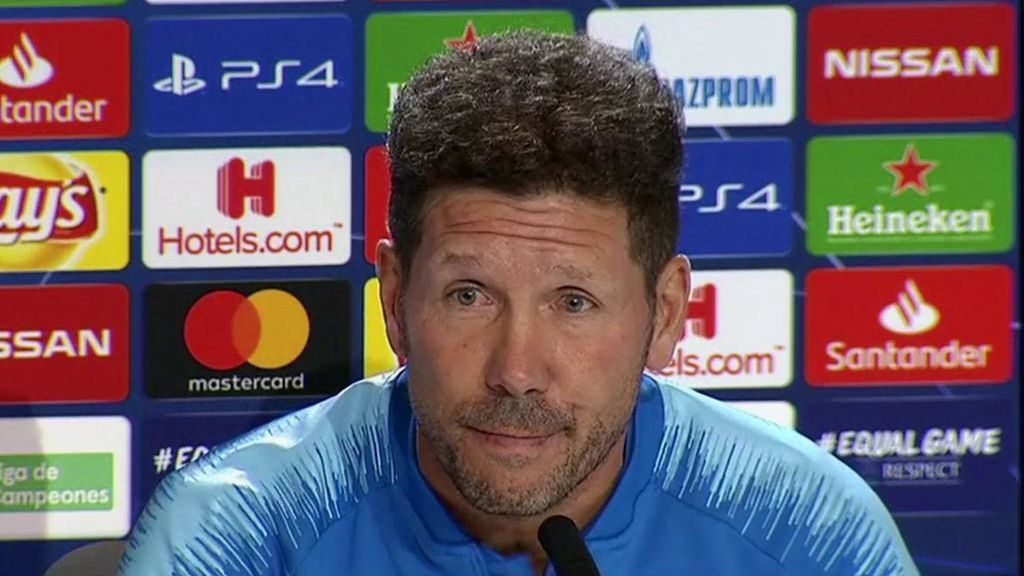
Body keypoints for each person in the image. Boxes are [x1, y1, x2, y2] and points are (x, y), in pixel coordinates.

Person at [119, 31, 919, 576]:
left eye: (574, 302)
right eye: (469, 296)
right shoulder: (239, 537)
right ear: (395, 299)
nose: (517, 370)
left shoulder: (806, 531)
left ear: (666, 314)